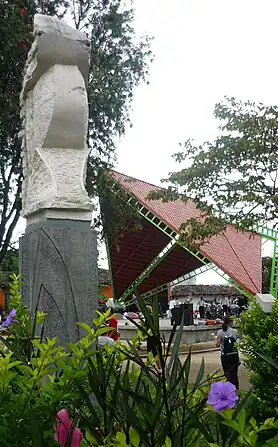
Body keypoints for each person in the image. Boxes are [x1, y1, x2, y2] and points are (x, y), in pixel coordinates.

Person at [215, 316, 239, 389]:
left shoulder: (220, 332)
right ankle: (236, 391)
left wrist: (215, 339)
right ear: (230, 322)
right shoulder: (235, 331)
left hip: (225, 356)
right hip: (234, 355)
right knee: (234, 374)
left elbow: (217, 345)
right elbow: (236, 344)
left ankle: (229, 391)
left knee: (227, 374)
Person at [145, 305, 162, 373]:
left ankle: (159, 367)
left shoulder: (149, 318)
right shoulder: (152, 317)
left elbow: (147, 327)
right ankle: (147, 365)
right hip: (154, 336)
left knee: (152, 351)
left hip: (151, 336)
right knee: (151, 351)